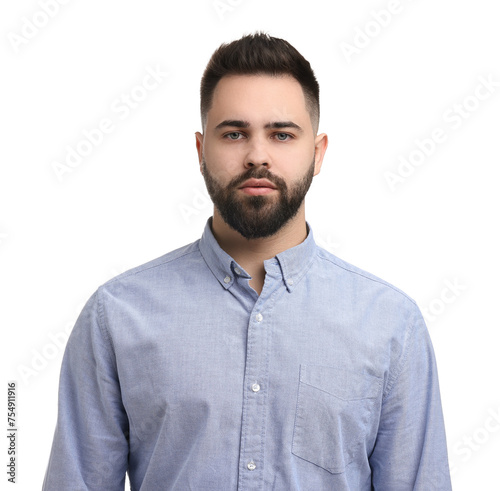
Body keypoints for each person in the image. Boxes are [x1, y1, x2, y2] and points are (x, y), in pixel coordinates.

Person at [43, 32, 452, 490]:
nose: (258, 155)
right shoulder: (116, 316)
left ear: (317, 154)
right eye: (234, 133)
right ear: (201, 151)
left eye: (282, 134)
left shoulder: (391, 324)